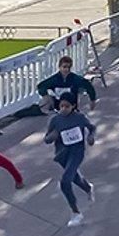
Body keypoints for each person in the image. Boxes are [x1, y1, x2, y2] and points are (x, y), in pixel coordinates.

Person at [44, 93, 96, 226]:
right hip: (62, 154)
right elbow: (47, 139)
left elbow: (91, 127)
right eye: (61, 106)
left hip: (77, 152)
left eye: (67, 106)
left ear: (73, 106)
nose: (63, 109)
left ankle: (76, 212)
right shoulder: (55, 120)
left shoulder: (79, 118)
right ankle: (88, 188)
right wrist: (53, 136)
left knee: (65, 181)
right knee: (74, 177)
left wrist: (90, 137)